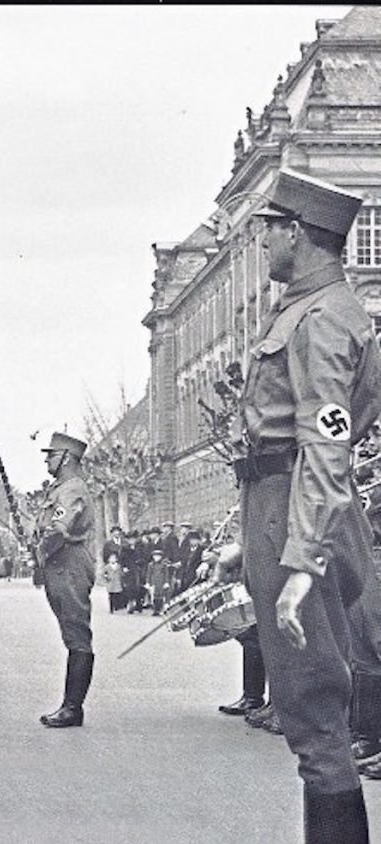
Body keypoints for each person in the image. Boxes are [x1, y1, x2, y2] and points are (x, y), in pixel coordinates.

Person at [229, 168, 380, 841]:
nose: (264, 243)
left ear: (301, 233)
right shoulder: (311, 309)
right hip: (282, 502)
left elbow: (327, 443)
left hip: (296, 509)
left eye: (271, 230)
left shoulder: (321, 318)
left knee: (317, 721)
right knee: (312, 718)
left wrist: (301, 562)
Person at [33, 431, 95, 729]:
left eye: (51, 454)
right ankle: (70, 705)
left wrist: (40, 552)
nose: (46, 459)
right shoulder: (61, 489)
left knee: (76, 634)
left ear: (66, 458)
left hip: (68, 563)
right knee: (71, 633)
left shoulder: (71, 490)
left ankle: (73, 708)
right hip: (59, 563)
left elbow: (58, 530)